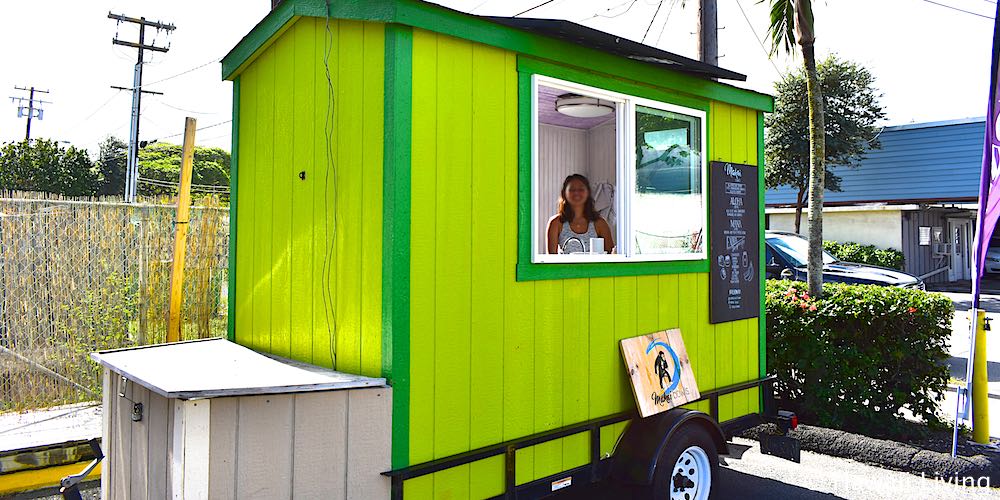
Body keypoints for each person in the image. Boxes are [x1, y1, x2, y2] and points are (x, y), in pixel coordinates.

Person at [547, 174, 615, 254]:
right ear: (564, 193)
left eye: (581, 189)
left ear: (588, 193)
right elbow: (551, 259)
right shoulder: (555, 223)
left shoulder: (600, 223)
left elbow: (611, 255)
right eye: (572, 189)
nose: (576, 193)